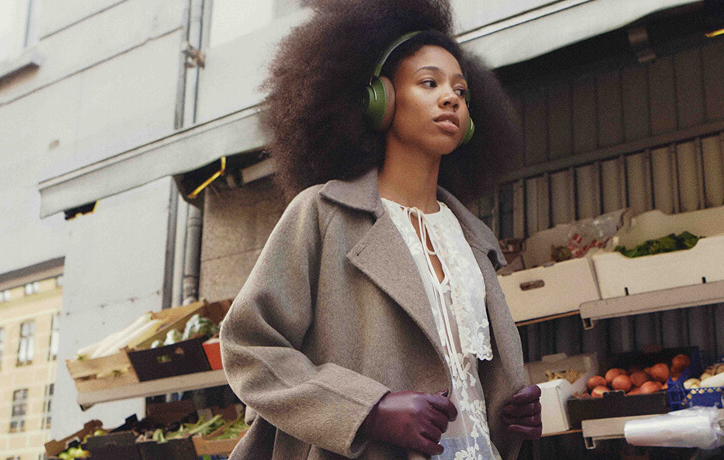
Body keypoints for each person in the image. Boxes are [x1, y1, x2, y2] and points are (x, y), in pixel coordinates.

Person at [219, 1, 540, 458]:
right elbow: (249, 346)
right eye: (429, 83)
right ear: (380, 99)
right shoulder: (322, 215)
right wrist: (368, 410)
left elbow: (467, 376)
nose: (450, 97)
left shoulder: (473, 240)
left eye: (461, 90)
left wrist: (510, 418)